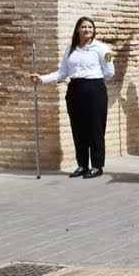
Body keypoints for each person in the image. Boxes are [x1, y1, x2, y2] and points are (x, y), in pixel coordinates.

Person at [31, 16, 115, 178]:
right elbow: (62, 72)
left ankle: (97, 166)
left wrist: (94, 81)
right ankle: (82, 165)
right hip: (75, 89)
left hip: (94, 89)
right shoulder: (70, 48)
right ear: (77, 29)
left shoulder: (101, 48)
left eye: (90, 27)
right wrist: (42, 78)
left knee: (95, 129)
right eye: (84, 27)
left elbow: (109, 72)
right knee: (78, 129)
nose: (87, 30)